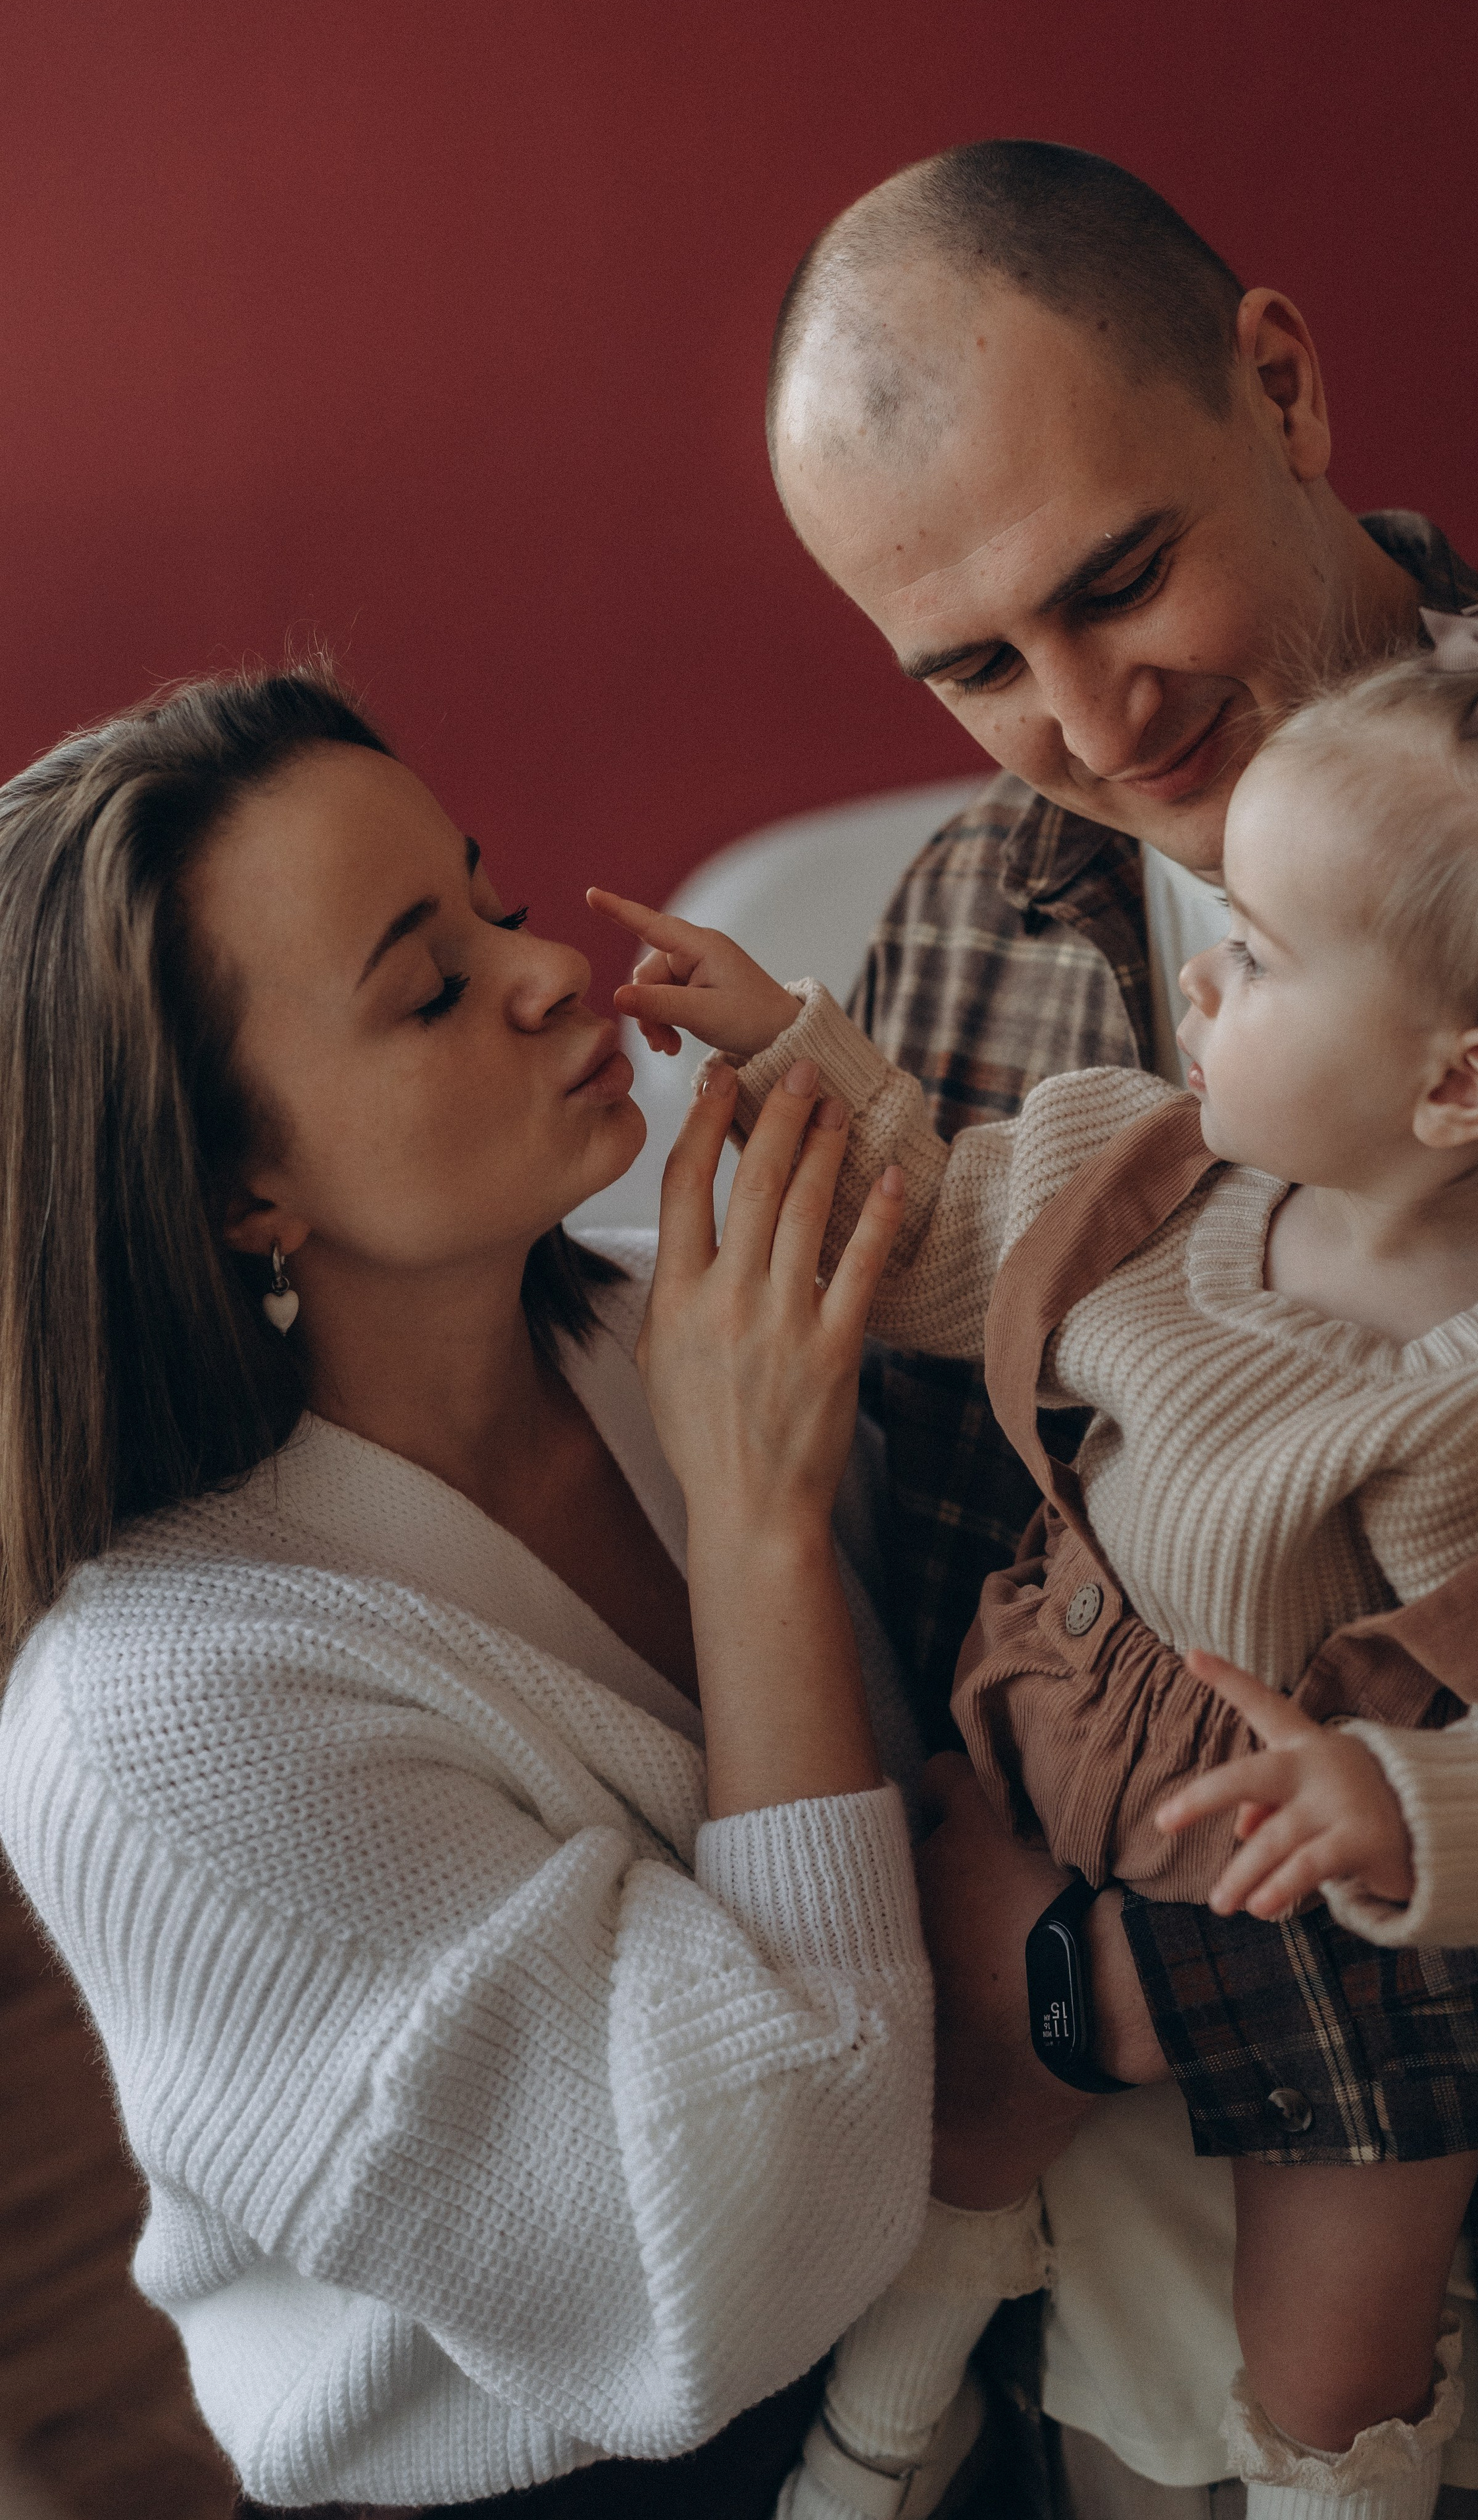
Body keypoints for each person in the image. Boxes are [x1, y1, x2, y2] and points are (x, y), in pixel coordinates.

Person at [749, 139, 1478, 2515]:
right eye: (971, 662)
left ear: (1281, 382)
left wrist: (1129, 1984)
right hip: (1106, 2306)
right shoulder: (964, 927)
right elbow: (954, 1549)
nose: (1083, 712)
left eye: (1117, 574)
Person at [0, 668, 935, 2517]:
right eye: (429, 985)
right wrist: (756, 1533)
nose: (546, 971)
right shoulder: (156, 1723)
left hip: (958, 2374)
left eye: (492, 898)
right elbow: (762, 2238)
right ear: (233, 1186)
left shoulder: (654, 1336)